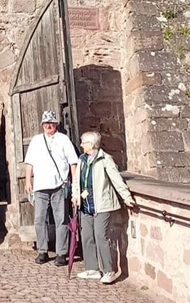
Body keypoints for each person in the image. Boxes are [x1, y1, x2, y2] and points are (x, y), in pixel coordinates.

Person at [72, 131, 136, 283]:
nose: (81, 145)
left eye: (83, 142)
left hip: (102, 204)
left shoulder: (105, 159)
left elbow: (116, 179)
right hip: (86, 204)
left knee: (101, 236)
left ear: (91, 144)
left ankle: (109, 270)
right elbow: (76, 181)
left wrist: (126, 197)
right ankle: (92, 268)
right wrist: (75, 195)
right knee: (87, 236)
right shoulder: (82, 159)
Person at [24, 110, 78, 266]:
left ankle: (61, 253)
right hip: (40, 186)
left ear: (56, 124)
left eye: (51, 123)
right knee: (39, 220)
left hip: (59, 186)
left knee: (61, 220)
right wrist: (28, 181)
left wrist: (74, 184)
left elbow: (72, 162)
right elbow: (30, 163)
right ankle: (42, 251)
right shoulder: (36, 140)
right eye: (46, 123)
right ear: (42, 125)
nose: (49, 125)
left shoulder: (63, 139)